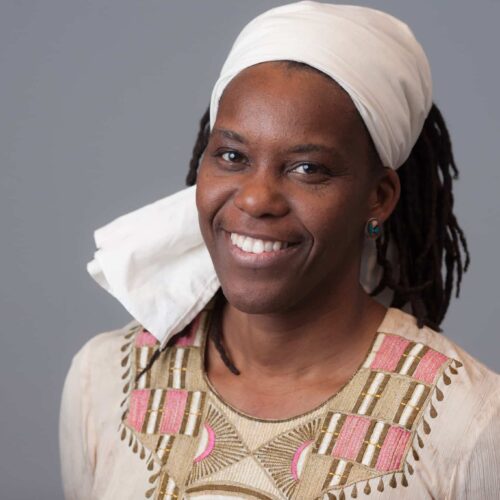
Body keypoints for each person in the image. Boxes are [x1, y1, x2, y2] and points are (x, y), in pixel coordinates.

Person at [59, 2, 500, 499]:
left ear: (378, 197)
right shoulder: (105, 380)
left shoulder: (471, 423)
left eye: (307, 169)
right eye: (232, 156)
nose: (255, 199)